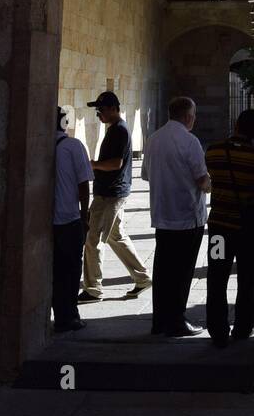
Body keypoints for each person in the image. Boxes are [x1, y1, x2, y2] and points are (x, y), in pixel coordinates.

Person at [142, 96, 210, 338]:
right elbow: (202, 180)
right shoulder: (190, 142)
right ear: (189, 116)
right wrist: (212, 184)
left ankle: (160, 321)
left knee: (162, 271)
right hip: (187, 216)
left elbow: (147, 175)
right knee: (182, 272)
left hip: (162, 215)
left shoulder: (152, 140)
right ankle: (177, 321)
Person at [79, 91, 151, 303]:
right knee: (115, 236)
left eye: (101, 110)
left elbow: (116, 163)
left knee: (93, 240)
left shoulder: (119, 130)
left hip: (110, 193)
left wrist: (92, 164)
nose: (98, 114)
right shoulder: (116, 129)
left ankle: (93, 289)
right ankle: (143, 277)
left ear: (112, 108)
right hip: (112, 191)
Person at [204, 109, 254, 347]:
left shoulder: (214, 151)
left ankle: (217, 329)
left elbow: (213, 176)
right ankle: (242, 327)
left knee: (217, 277)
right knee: (247, 277)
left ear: (237, 124)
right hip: (247, 228)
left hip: (219, 226)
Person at [52, 106, 93, 332]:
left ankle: (55, 311)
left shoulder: (39, 144)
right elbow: (83, 184)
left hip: (47, 220)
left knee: (55, 269)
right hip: (68, 218)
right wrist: (85, 215)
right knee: (70, 269)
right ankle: (68, 316)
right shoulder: (73, 146)